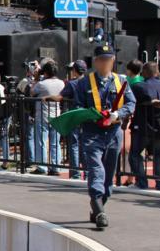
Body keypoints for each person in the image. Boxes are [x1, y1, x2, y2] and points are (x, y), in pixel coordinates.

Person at [51, 43, 136, 229]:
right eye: (101, 60)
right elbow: (78, 106)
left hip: (113, 133)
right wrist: (91, 114)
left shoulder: (121, 81)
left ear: (113, 61)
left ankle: (98, 206)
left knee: (109, 174)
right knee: (97, 170)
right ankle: (98, 208)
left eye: (108, 59)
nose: (105, 63)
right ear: (95, 62)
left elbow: (131, 103)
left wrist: (117, 114)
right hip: (92, 133)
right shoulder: (84, 83)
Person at [128, 61, 160, 191]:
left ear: (144, 72)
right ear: (156, 72)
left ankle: (141, 182)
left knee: (134, 154)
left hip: (143, 126)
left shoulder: (138, 87)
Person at [31, 61, 65, 176]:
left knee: (42, 142)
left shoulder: (42, 84)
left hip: (43, 115)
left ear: (45, 72)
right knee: (55, 142)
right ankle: (56, 167)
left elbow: (32, 92)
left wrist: (36, 78)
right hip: (57, 115)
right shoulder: (61, 83)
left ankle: (42, 167)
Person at [65, 60, 88, 179]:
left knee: (74, 144)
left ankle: (75, 173)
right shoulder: (89, 82)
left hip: (74, 115)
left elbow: (62, 95)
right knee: (85, 144)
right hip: (85, 116)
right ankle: (87, 172)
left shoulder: (72, 83)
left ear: (74, 71)